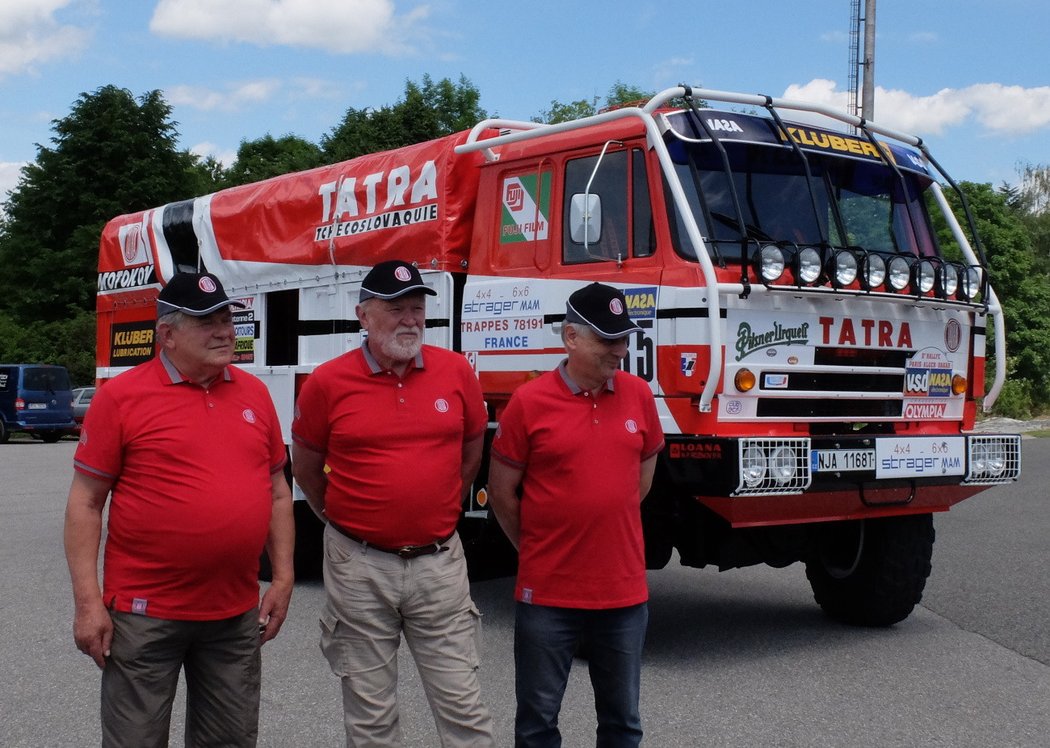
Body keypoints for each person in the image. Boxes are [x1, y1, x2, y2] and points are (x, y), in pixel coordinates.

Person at [63, 271, 295, 748]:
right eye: (206, 320)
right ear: (166, 335)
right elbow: (85, 503)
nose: (225, 330)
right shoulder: (122, 398)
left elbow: (276, 492)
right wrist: (88, 604)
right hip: (146, 614)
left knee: (229, 740)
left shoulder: (254, 395)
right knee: (135, 741)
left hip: (233, 615)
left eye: (227, 316)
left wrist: (285, 577)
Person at [291, 259, 495, 747]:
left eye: (418, 308)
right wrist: (353, 524)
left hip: (439, 564)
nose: (411, 319)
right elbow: (306, 469)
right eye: (396, 308)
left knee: (464, 709)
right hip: (358, 566)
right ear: (363, 316)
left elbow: (469, 456)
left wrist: (431, 507)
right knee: (371, 718)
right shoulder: (327, 383)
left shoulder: (456, 372)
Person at [487, 282, 665, 748]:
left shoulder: (639, 397)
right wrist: (538, 549)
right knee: (537, 724)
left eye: (624, 338)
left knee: (623, 724)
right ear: (571, 337)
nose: (620, 351)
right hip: (548, 596)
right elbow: (502, 494)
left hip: (623, 596)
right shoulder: (529, 403)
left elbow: (638, 485)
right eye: (608, 339)